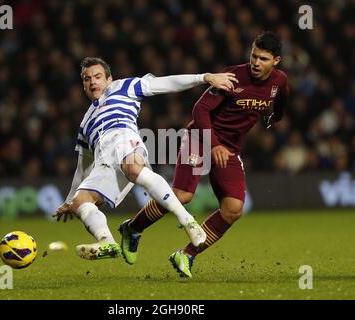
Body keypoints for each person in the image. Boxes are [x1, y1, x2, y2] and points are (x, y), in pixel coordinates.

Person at [119, 31, 289, 277]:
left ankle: (186, 255)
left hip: (230, 149)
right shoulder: (233, 76)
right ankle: (133, 229)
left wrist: (276, 116)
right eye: (254, 56)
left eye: (263, 59)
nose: (255, 63)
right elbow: (200, 110)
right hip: (200, 137)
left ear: (276, 61)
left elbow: (281, 98)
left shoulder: (279, 81)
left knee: (233, 209)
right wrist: (214, 144)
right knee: (183, 195)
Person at [53, 57, 238, 260]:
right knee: (82, 202)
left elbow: (166, 83)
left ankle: (188, 222)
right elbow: (84, 165)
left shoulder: (123, 87)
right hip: (104, 160)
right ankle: (107, 241)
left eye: (97, 77)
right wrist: (70, 199)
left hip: (123, 137)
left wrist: (204, 77)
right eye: (87, 79)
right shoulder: (85, 123)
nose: (92, 82)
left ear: (109, 79)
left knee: (133, 168)